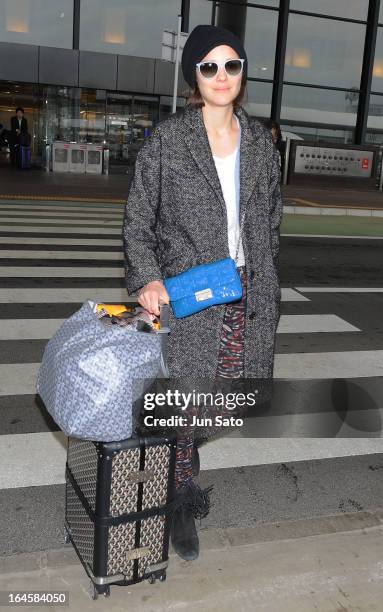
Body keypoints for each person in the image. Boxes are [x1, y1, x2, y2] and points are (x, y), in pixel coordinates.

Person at [123, 24, 283, 561]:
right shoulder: (169, 139)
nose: (221, 76)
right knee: (188, 407)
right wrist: (147, 277)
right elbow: (138, 219)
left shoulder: (261, 141)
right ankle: (181, 501)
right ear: (195, 74)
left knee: (227, 402)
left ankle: (178, 461)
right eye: (209, 66)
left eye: (231, 65)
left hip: (248, 293)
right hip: (192, 298)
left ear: (242, 73)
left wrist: (264, 267)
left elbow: (272, 218)